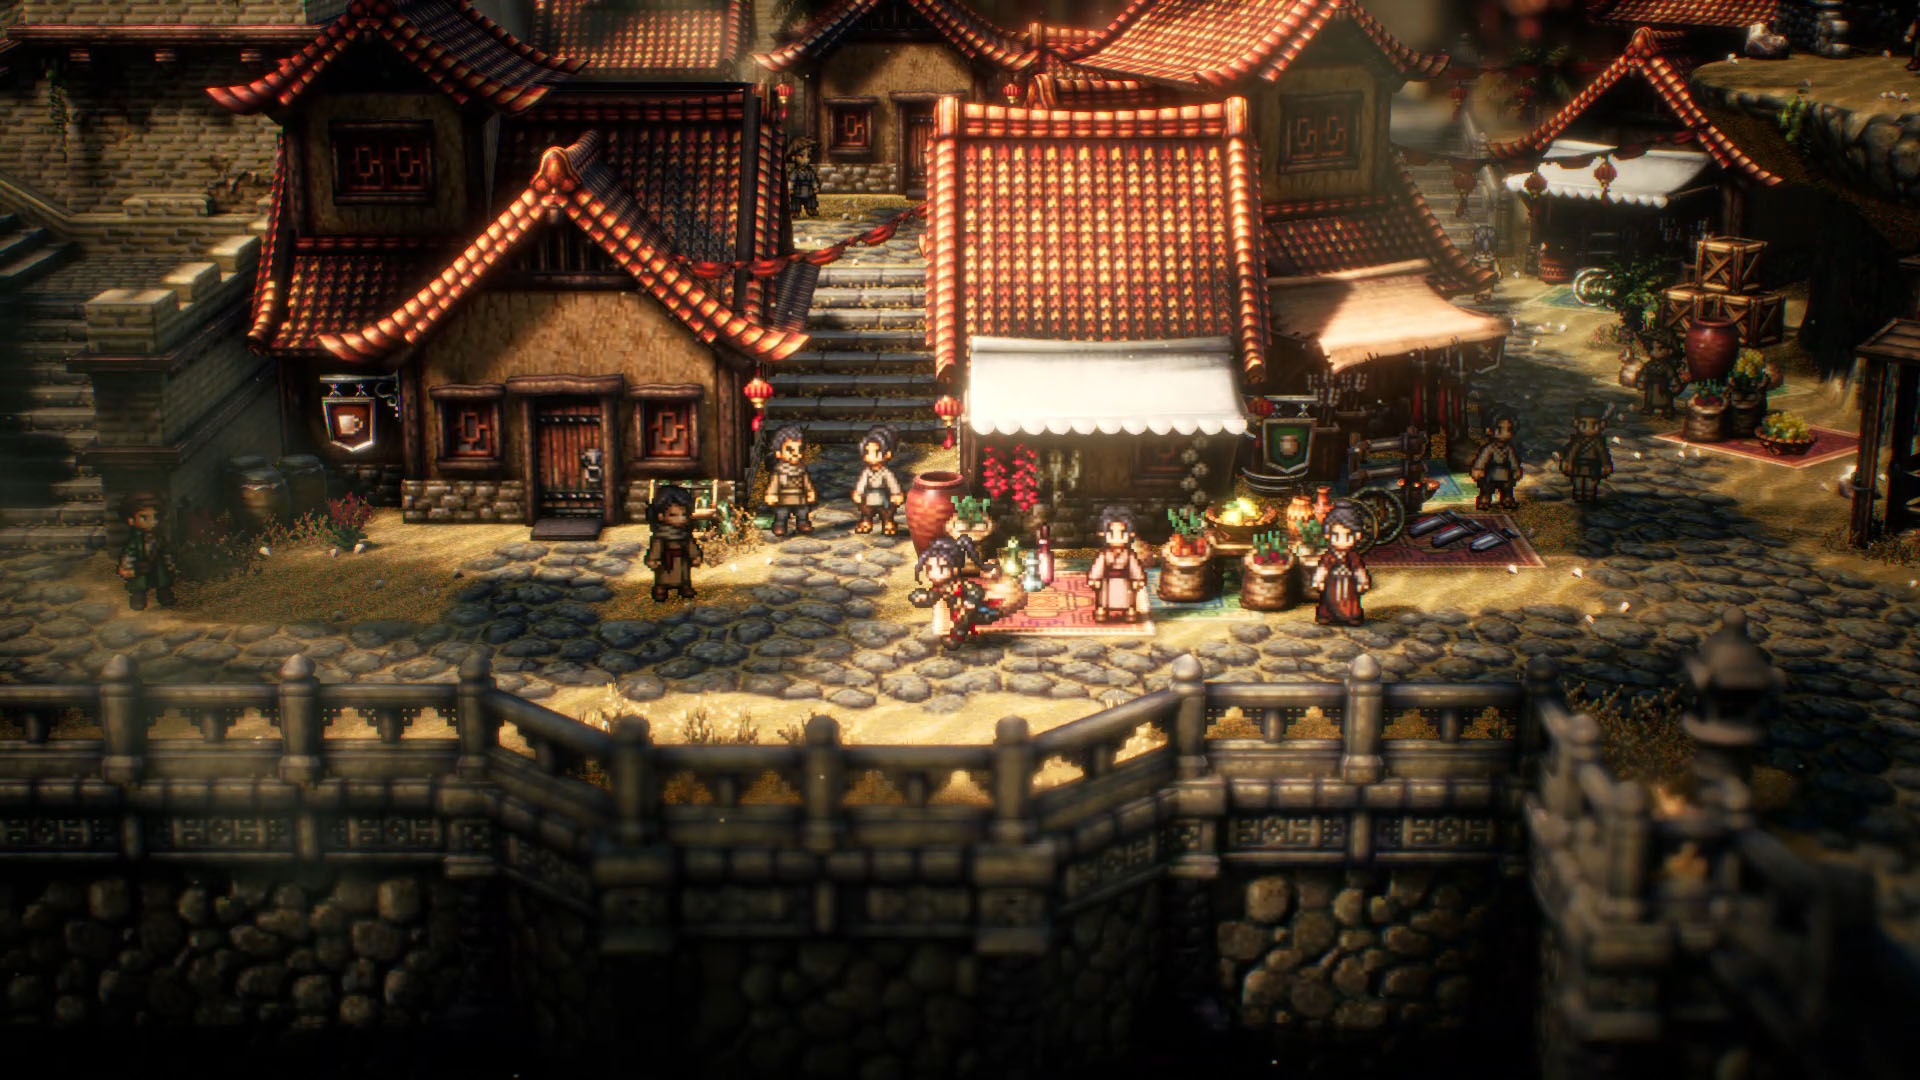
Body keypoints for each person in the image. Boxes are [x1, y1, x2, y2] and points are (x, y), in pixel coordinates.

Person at [907, 537, 1005, 646]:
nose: (935, 573)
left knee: (967, 617)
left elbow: (977, 591)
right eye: (930, 568)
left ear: (954, 569)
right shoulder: (940, 588)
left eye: (942, 567)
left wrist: (971, 601)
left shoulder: (960, 584)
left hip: (971, 612)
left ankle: (959, 635)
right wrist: (922, 597)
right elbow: (932, 596)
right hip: (953, 613)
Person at [1310, 500, 1372, 627]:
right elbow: (1323, 568)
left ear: (1357, 536)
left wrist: (1362, 582)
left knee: (1351, 601)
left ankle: (1352, 616)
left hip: (1349, 583)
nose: (1342, 541)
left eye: (1348, 536)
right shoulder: (1330, 555)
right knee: (1328, 600)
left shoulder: (1353, 556)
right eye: (1336, 536)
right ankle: (1326, 616)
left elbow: (1358, 569)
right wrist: (1318, 580)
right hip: (1332, 581)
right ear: (1328, 535)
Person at [1085, 506, 1149, 623]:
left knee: (1127, 597)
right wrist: (1094, 579)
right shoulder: (1104, 554)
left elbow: (1134, 567)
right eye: (1112, 532)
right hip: (1108, 583)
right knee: (1104, 597)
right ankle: (1102, 609)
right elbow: (1098, 567)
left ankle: (1129, 610)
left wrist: (1138, 579)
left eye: (1121, 533)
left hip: (1125, 582)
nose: (1117, 537)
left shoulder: (1129, 554)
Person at [116, 492, 177, 611]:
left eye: (155, 517)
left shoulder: (158, 538)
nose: (152, 522)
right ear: (131, 520)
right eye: (144, 517)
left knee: (162, 581)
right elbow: (129, 554)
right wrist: (127, 567)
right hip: (141, 566)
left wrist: (169, 563)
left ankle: (165, 597)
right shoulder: (135, 541)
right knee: (139, 584)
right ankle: (138, 599)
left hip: (157, 566)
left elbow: (165, 552)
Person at [643, 484, 703, 602]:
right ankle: (661, 588)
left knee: (684, 576)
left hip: (682, 561)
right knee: (663, 578)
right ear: (661, 516)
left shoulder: (684, 534)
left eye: (684, 515)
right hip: (667, 561)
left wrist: (695, 556)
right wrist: (653, 559)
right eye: (673, 515)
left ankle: (685, 588)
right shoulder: (661, 535)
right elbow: (656, 548)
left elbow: (690, 546)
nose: (681, 519)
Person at [762, 425, 817, 537]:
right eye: (790, 450)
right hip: (784, 498)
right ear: (778, 453)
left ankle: (802, 523)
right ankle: (780, 525)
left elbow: (806, 482)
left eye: (799, 449)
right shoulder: (780, 471)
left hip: (800, 497)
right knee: (782, 513)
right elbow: (774, 484)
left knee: (802, 512)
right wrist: (771, 494)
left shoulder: (801, 469)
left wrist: (810, 491)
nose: (796, 453)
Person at [851, 425, 905, 535]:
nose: (871, 456)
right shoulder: (867, 472)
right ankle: (866, 521)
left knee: (886, 510)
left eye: (875, 452)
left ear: (887, 454)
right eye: (867, 452)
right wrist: (858, 492)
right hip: (869, 495)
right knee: (866, 509)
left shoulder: (886, 472)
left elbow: (892, 483)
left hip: (883, 496)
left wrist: (896, 493)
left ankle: (888, 522)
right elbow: (862, 483)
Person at [1559, 401, 1615, 503]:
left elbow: (1603, 454)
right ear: (1577, 423)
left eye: (1593, 425)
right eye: (1584, 425)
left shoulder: (1598, 442)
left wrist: (1605, 464)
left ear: (1601, 425)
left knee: (1590, 485)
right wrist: (1568, 461)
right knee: (1578, 483)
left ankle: (1589, 497)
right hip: (1579, 466)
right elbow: (1572, 452)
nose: (1588, 429)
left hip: (1593, 467)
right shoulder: (1577, 441)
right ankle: (1578, 496)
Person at [1468, 409, 1523, 511]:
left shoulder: (1509, 449)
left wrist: (1516, 470)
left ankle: (1507, 499)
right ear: (1490, 430)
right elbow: (1482, 459)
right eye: (1500, 429)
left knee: (1507, 488)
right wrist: (1478, 468)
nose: (1505, 433)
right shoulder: (1489, 448)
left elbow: (1513, 461)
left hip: (1505, 474)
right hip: (1491, 473)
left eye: (1509, 429)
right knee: (1487, 488)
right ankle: (1485, 499)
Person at [1636, 332, 1680, 420]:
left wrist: (1674, 384)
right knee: (1649, 397)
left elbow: (1671, 376)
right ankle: (1648, 408)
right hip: (1651, 386)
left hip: (1664, 386)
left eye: (1660, 349)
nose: (1655, 352)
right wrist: (1641, 382)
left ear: (1669, 350)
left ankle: (1668, 410)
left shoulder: (1667, 366)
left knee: (1667, 399)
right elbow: (1644, 374)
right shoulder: (1648, 365)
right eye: (1652, 349)